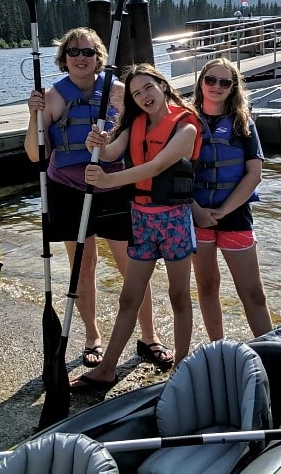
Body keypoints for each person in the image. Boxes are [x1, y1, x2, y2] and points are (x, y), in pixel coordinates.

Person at [25, 29, 173, 370]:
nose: (81, 58)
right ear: (64, 58)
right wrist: (33, 117)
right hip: (68, 189)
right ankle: (93, 337)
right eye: (74, 52)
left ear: (99, 58)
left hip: (112, 186)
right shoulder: (51, 98)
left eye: (88, 52)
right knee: (83, 267)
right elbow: (34, 155)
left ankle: (149, 336)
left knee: (134, 267)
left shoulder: (120, 94)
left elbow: (156, 123)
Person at [70, 63, 202, 389]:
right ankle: (107, 369)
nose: (143, 96)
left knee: (179, 294)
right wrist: (95, 144)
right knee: (129, 298)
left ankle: (183, 367)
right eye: (136, 93)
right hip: (142, 219)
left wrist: (107, 180)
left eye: (148, 88)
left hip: (174, 221)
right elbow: (112, 151)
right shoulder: (135, 124)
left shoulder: (186, 126)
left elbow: (156, 166)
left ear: (163, 85)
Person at [191, 59, 273, 341]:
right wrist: (197, 210)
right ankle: (218, 347)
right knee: (207, 285)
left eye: (225, 82)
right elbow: (173, 172)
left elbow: (254, 173)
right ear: (201, 82)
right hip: (197, 216)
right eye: (211, 80)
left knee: (253, 292)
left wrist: (224, 210)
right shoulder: (186, 122)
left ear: (233, 88)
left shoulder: (242, 123)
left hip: (235, 216)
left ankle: (269, 351)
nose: (216, 87)